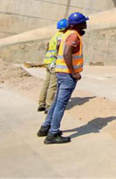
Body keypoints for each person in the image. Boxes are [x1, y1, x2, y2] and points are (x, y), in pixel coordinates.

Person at [37, 12, 89, 144]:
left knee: (56, 102)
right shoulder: (73, 35)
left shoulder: (66, 34)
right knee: (61, 105)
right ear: (78, 24)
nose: (86, 24)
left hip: (60, 72)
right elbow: (66, 53)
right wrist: (74, 72)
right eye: (84, 22)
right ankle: (53, 133)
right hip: (67, 75)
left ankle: (45, 127)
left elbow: (60, 48)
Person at [37, 18, 67, 113]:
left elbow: (48, 47)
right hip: (54, 62)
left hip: (48, 61)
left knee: (47, 83)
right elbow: (59, 45)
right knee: (53, 85)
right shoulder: (62, 36)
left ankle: (41, 103)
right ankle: (49, 106)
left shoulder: (54, 36)